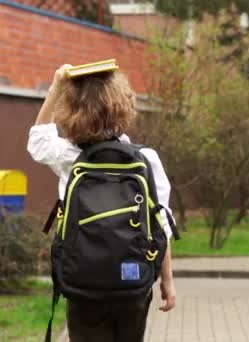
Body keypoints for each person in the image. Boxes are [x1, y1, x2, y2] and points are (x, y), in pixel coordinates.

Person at [27, 64, 176, 342]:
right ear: (122, 106)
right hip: (134, 281)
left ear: (71, 110)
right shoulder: (146, 160)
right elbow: (161, 224)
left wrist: (57, 86)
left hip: (82, 281)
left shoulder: (69, 157)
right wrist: (167, 280)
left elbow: (37, 141)